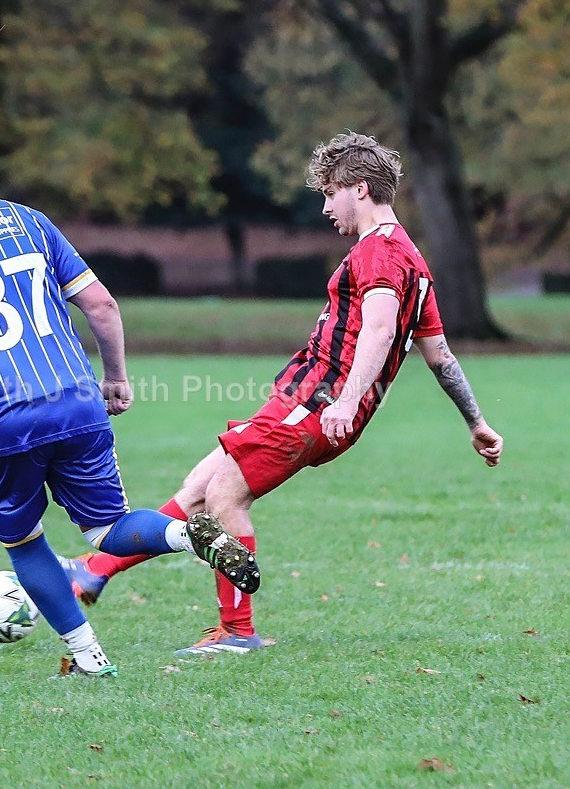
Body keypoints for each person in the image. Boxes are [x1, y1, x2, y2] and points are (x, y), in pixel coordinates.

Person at [62, 132, 504, 655]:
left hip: (318, 404)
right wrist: (475, 421)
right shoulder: (412, 260)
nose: (325, 206)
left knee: (224, 496)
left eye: (330, 192)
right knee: (200, 485)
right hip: (308, 400)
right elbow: (441, 357)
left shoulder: (380, 253)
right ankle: (96, 570)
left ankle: (237, 632)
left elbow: (381, 330)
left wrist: (344, 400)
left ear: (359, 189)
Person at [0, 126, 257, 677]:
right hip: (75, 399)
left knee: (22, 540)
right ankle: (186, 533)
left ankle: (90, 659)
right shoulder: (29, 221)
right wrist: (115, 378)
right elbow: (102, 306)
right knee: (108, 529)